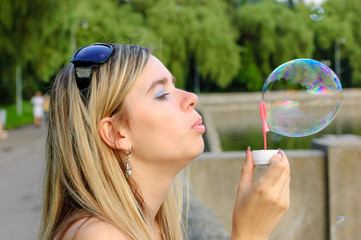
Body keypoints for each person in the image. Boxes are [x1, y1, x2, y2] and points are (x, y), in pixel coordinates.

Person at [39, 43, 290, 240]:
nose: (192, 97)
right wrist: (250, 234)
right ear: (117, 133)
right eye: (161, 94)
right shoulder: (99, 235)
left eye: (174, 85)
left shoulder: (153, 224)